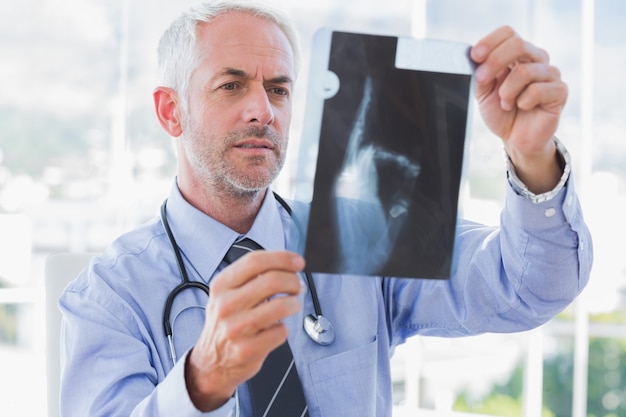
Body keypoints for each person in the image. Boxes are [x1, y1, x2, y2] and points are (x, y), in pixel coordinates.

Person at [58, 1, 592, 416]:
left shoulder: (361, 238)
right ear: (171, 110)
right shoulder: (108, 298)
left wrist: (532, 158)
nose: (262, 111)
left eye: (279, 89)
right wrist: (200, 380)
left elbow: (528, 288)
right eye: (231, 85)